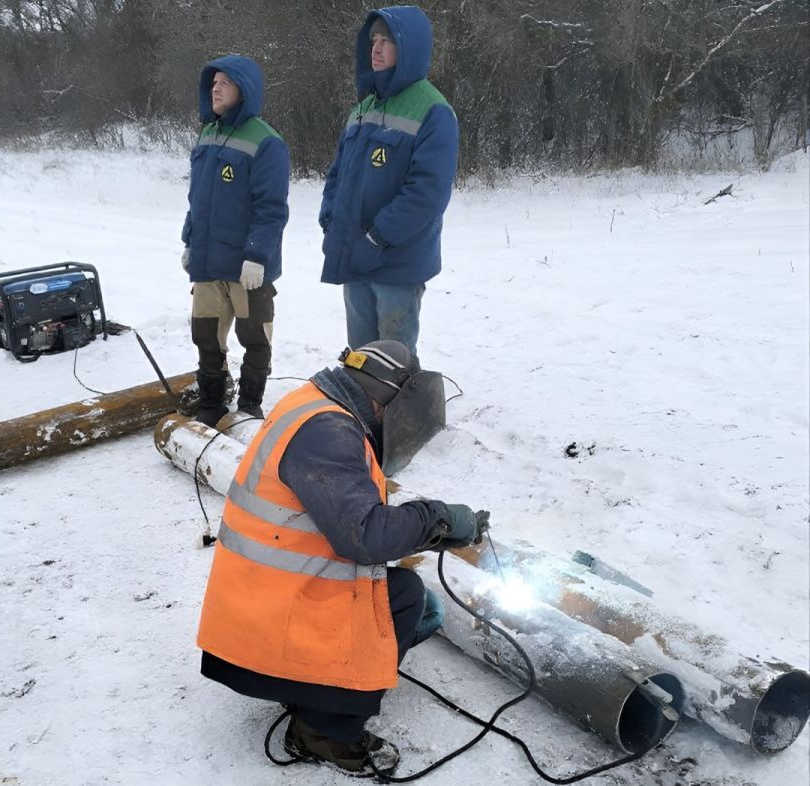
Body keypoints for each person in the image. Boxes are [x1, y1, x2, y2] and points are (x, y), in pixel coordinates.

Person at [197, 340, 484, 776]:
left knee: (414, 606)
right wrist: (437, 519)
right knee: (403, 598)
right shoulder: (327, 433)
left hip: (258, 607)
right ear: (383, 400)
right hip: (267, 625)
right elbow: (364, 535)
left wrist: (425, 528)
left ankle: (309, 689)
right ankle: (323, 729)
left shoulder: (314, 404)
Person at [319, 7, 458, 359]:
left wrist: (377, 237)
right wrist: (331, 223)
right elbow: (338, 174)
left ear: (409, 48)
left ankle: (405, 416)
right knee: (361, 356)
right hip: (354, 256)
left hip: (397, 262)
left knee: (393, 359)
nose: (376, 49)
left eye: (388, 41)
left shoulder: (432, 111)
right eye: (374, 41)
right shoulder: (362, 109)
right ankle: (364, 414)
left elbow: (427, 193)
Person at [182, 54, 290, 426]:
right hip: (208, 264)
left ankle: (249, 407)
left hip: (248, 267)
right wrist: (189, 241)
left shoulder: (266, 141)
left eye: (225, 82)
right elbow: (197, 199)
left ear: (244, 89)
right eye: (213, 82)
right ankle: (211, 406)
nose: (216, 87)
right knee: (206, 338)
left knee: (255, 338)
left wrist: (258, 256)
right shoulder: (206, 134)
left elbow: (271, 208)